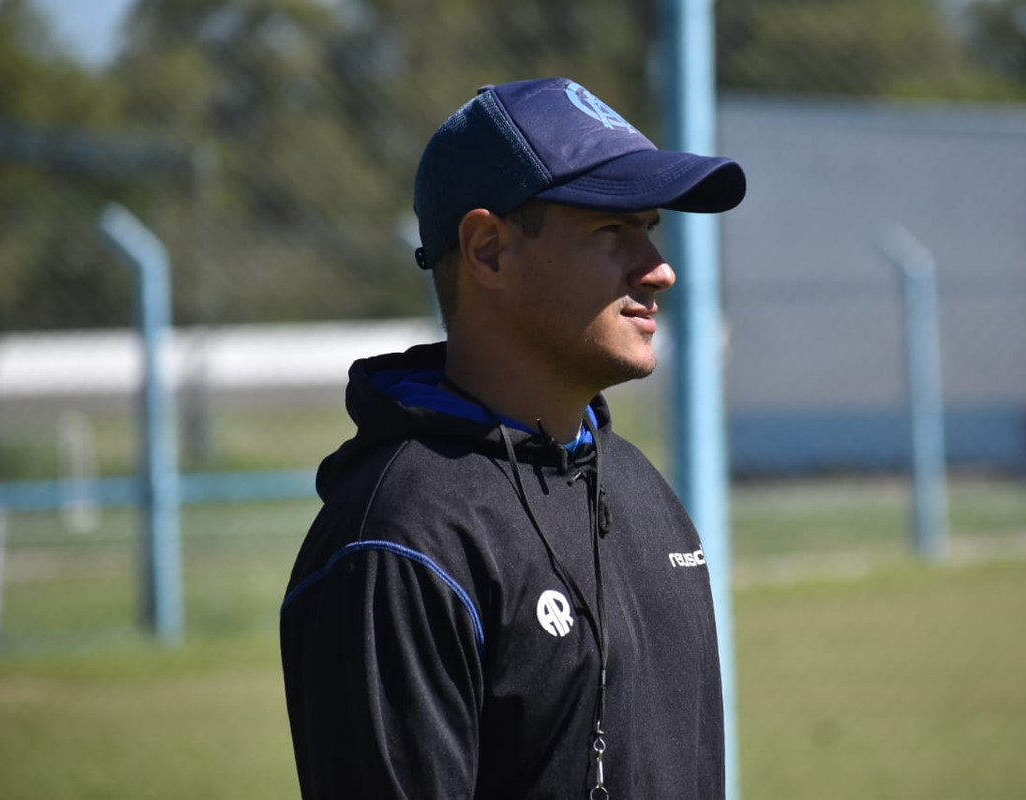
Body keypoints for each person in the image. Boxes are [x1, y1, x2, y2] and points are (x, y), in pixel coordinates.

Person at [279, 76, 746, 799]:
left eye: (649, 228)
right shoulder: (399, 542)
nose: (660, 270)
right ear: (489, 250)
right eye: (611, 230)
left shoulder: (638, 488)